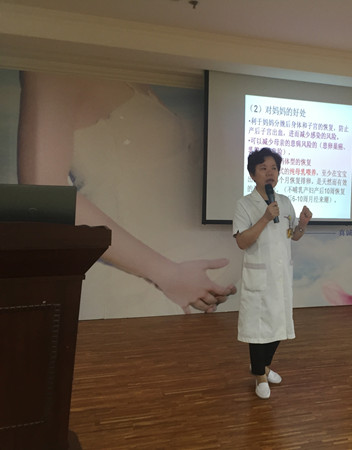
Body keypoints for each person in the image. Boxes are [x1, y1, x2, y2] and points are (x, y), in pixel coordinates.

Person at [17, 70, 236, 315]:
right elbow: (43, 195)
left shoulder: (126, 67)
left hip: (183, 290)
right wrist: (168, 274)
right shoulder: (54, 67)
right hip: (144, 294)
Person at [233, 147, 312, 399]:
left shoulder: (285, 202)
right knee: (258, 329)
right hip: (259, 276)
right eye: (263, 168)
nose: (270, 173)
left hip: (280, 277)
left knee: (278, 325)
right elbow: (242, 242)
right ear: (252, 174)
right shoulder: (245, 204)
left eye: (274, 168)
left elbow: (293, 236)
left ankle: (263, 367)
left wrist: (303, 224)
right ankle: (260, 376)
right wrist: (265, 218)